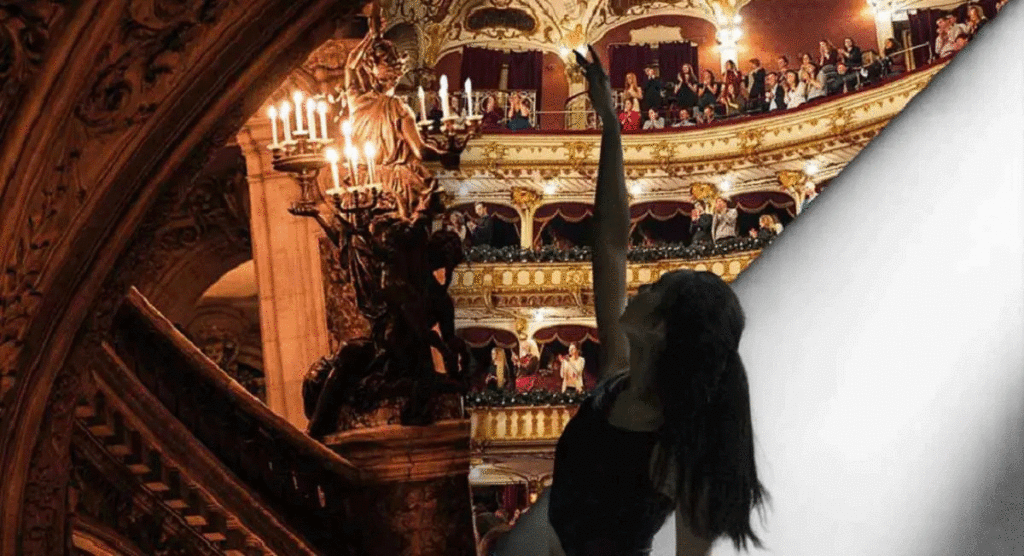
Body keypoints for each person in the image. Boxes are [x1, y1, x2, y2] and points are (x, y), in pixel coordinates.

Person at [541, 46, 767, 556]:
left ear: (663, 329)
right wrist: (610, 126)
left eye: (657, 289)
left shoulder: (676, 449)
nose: (642, 287)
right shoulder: (618, 378)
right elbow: (610, 243)